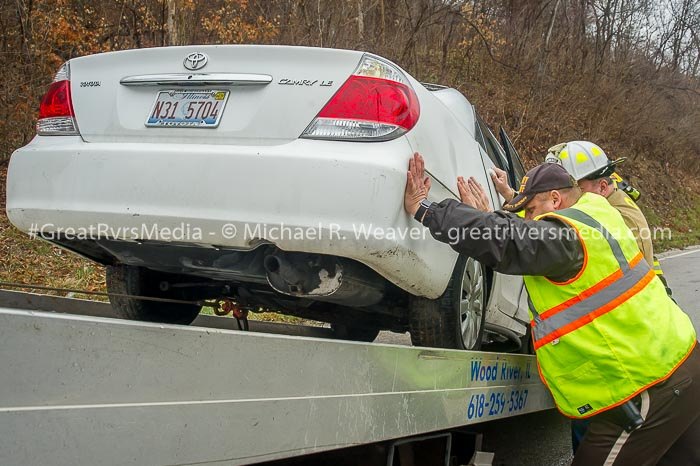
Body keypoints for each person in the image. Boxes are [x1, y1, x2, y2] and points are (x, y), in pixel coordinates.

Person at [405, 153, 699, 465]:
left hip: (648, 390)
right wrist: (492, 218)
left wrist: (426, 210)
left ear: (555, 199)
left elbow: (514, 241)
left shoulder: (568, 236)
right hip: (682, 367)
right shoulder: (598, 214)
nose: (528, 219)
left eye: (530, 211)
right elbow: (526, 236)